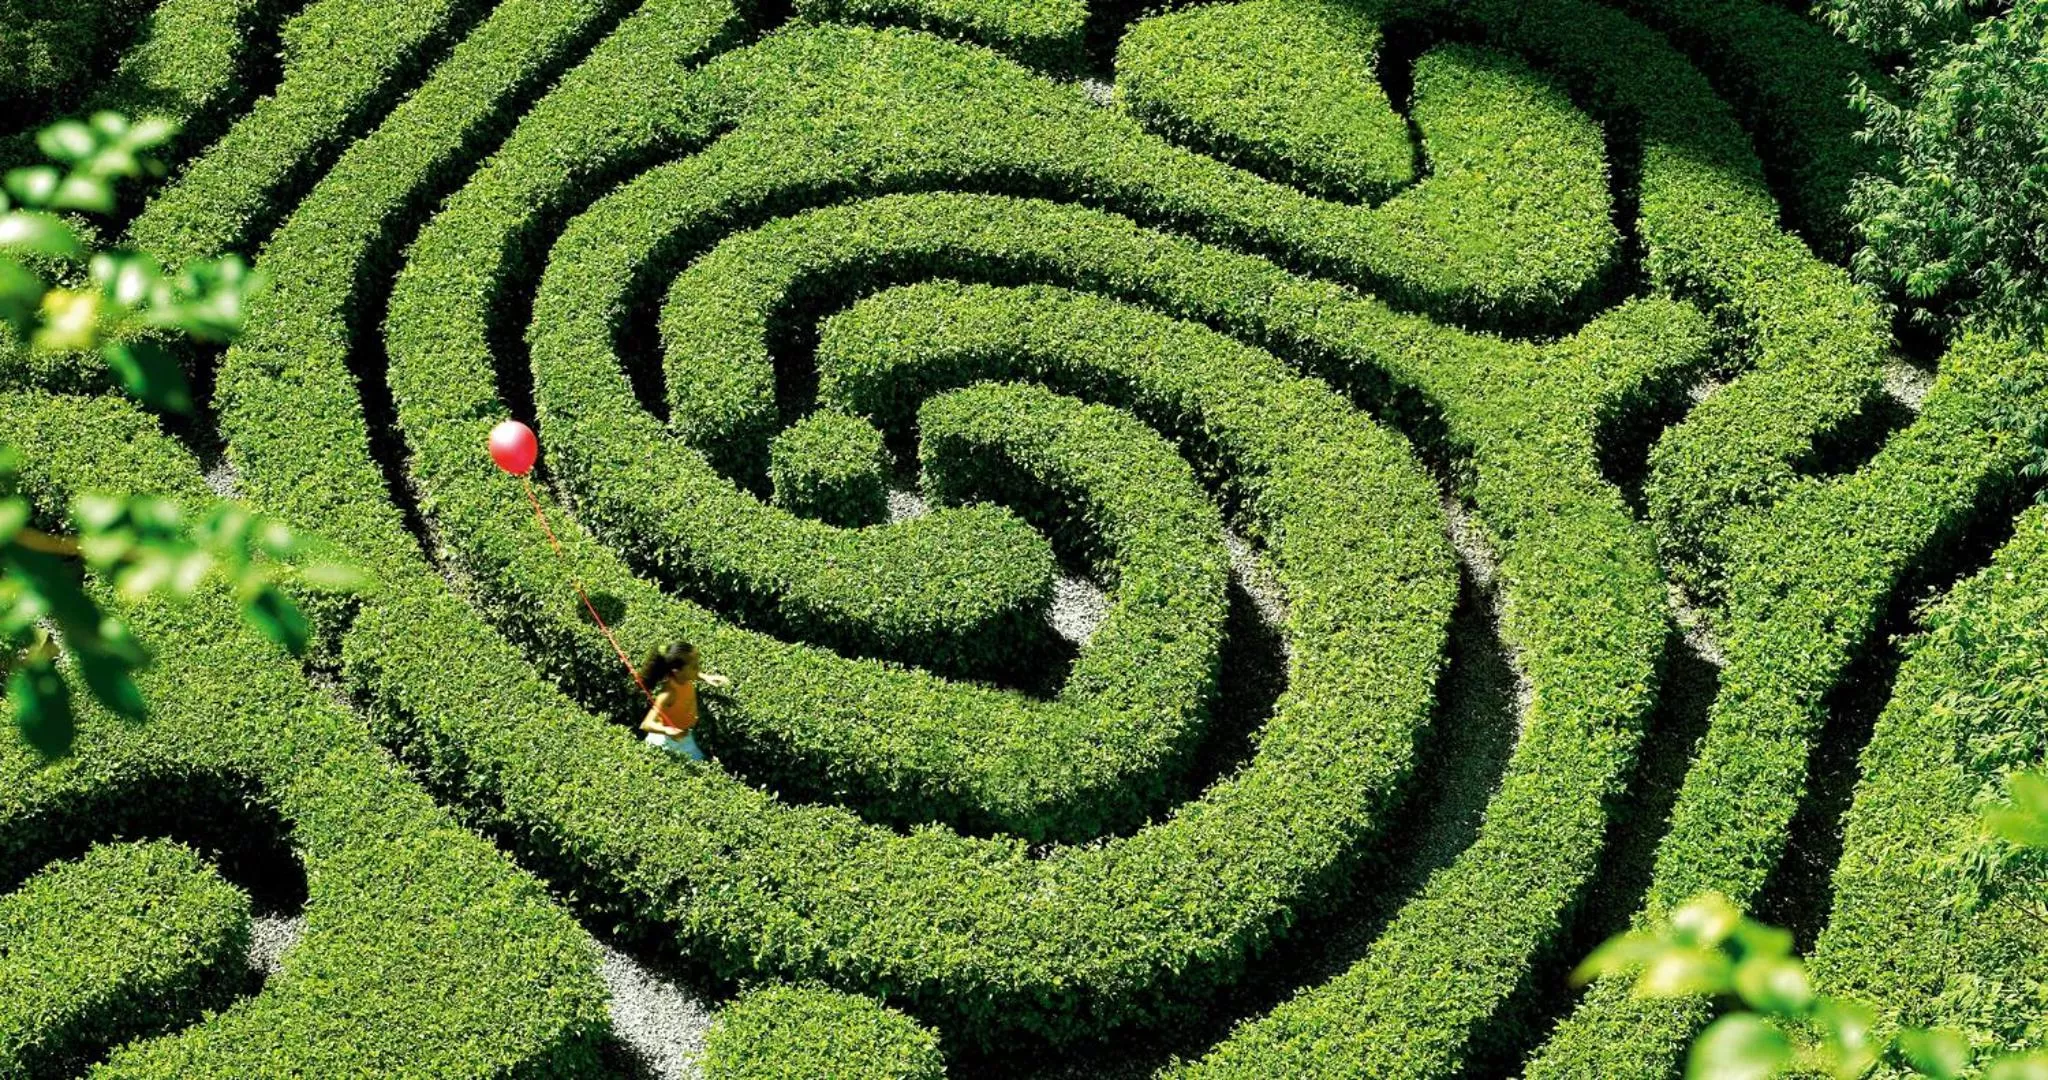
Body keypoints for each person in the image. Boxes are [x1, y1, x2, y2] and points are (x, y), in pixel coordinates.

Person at [637, 642, 729, 761]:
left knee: (701, 761)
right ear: (677, 671)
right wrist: (667, 730)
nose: (698, 669)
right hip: (668, 741)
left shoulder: (684, 678)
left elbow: (694, 674)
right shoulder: (669, 693)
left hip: (685, 735)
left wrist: (706, 677)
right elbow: (646, 724)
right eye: (694, 667)